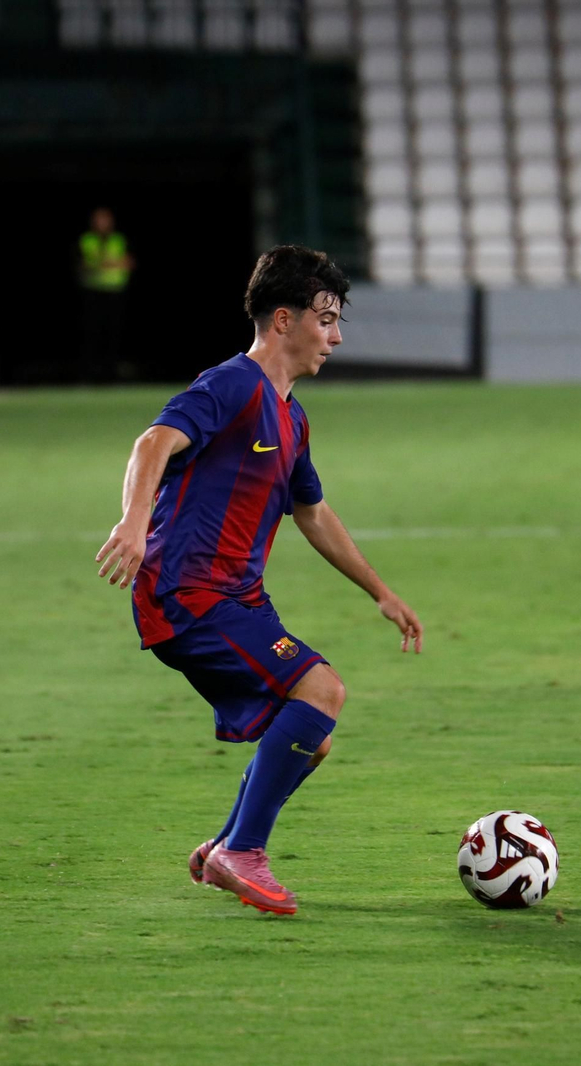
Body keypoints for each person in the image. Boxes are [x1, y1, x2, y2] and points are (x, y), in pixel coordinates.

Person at [94, 245, 424, 916]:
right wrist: (132, 522)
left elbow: (313, 514)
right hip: (188, 591)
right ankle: (242, 851)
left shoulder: (292, 418)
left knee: (313, 735)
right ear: (283, 320)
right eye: (325, 319)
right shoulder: (233, 385)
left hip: (235, 599)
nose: (334, 337)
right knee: (322, 689)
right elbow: (151, 443)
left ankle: (224, 847)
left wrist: (379, 590)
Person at [77, 207, 132, 382]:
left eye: (105, 219)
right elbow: (84, 264)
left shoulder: (118, 239)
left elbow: (128, 262)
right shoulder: (87, 239)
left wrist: (103, 264)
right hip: (93, 291)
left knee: (114, 335)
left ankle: (112, 374)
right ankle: (91, 374)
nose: (102, 223)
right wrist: (110, 263)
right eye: (99, 220)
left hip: (115, 292)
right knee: (92, 334)